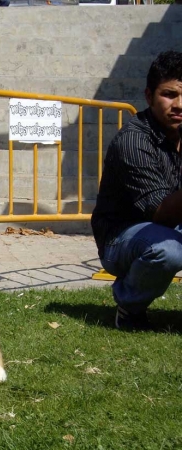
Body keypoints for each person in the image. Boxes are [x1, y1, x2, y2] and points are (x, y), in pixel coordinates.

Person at [91, 50, 182, 331]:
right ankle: (129, 308)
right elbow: (161, 215)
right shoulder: (133, 141)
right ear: (148, 95)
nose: (179, 105)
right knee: (168, 251)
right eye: (169, 94)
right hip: (122, 239)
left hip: (168, 226)